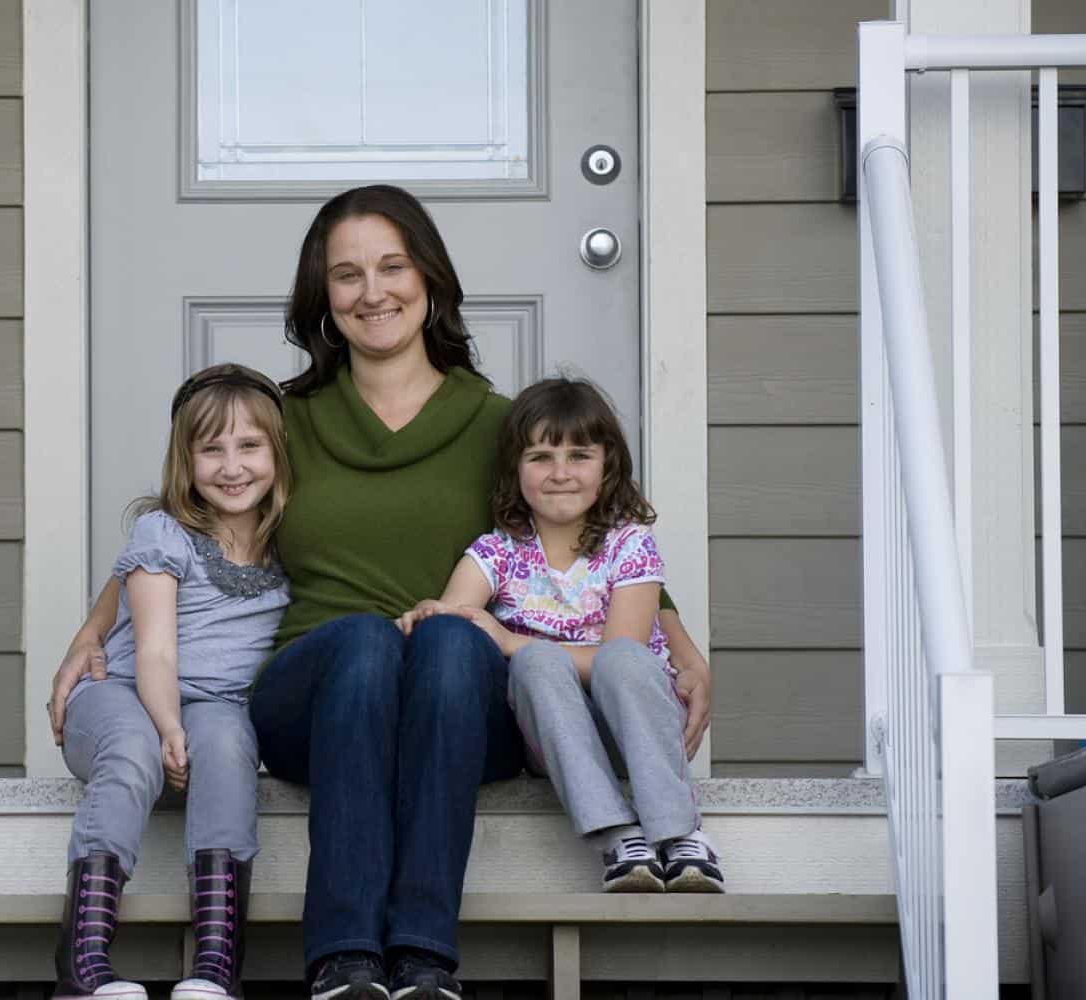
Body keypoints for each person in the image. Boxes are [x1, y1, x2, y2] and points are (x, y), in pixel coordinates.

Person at [50, 186, 714, 1000]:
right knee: (368, 639)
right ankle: (343, 959)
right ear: (322, 299)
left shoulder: (499, 426)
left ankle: (424, 959)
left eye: (392, 266)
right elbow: (183, 530)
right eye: (347, 275)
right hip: (316, 693)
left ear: (430, 279)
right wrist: (94, 628)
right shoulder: (283, 422)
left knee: (445, 637)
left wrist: (673, 642)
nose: (373, 292)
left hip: (462, 701)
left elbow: (590, 534)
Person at [398, 377, 723, 896]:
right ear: (515, 470)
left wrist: (509, 641)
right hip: (554, 740)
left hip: (636, 733)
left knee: (610, 658)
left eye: (579, 456)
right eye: (541, 457)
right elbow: (458, 614)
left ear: (607, 466)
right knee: (536, 667)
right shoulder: (498, 551)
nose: (560, 474)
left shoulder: (629, 545)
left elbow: (624, 654)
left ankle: (681, 834)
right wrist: (431, 614)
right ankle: (620, 838)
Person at [50, 364, 292, 1000]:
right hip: (121, 693)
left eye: (249, 447)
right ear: (185, 461)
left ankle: (216, 963)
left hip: (214, 706)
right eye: (210, 449)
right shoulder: (165, 533)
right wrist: (166, 727)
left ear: (278, 454)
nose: (231, 467)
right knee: (132, 750)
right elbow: (155, 651)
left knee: (230, 744)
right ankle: (84, 959)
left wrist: (189, 728)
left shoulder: (291, 544)